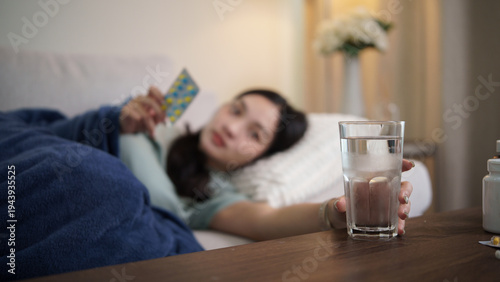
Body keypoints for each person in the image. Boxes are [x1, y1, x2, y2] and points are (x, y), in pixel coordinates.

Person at [118, 86, 414, 241]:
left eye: (254, 134)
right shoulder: (158, 125)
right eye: (236, 110)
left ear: (260, 157)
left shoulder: (214, 192)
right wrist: (117, 120)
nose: (232, 129)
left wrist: (338, 211)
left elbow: (266, 220)